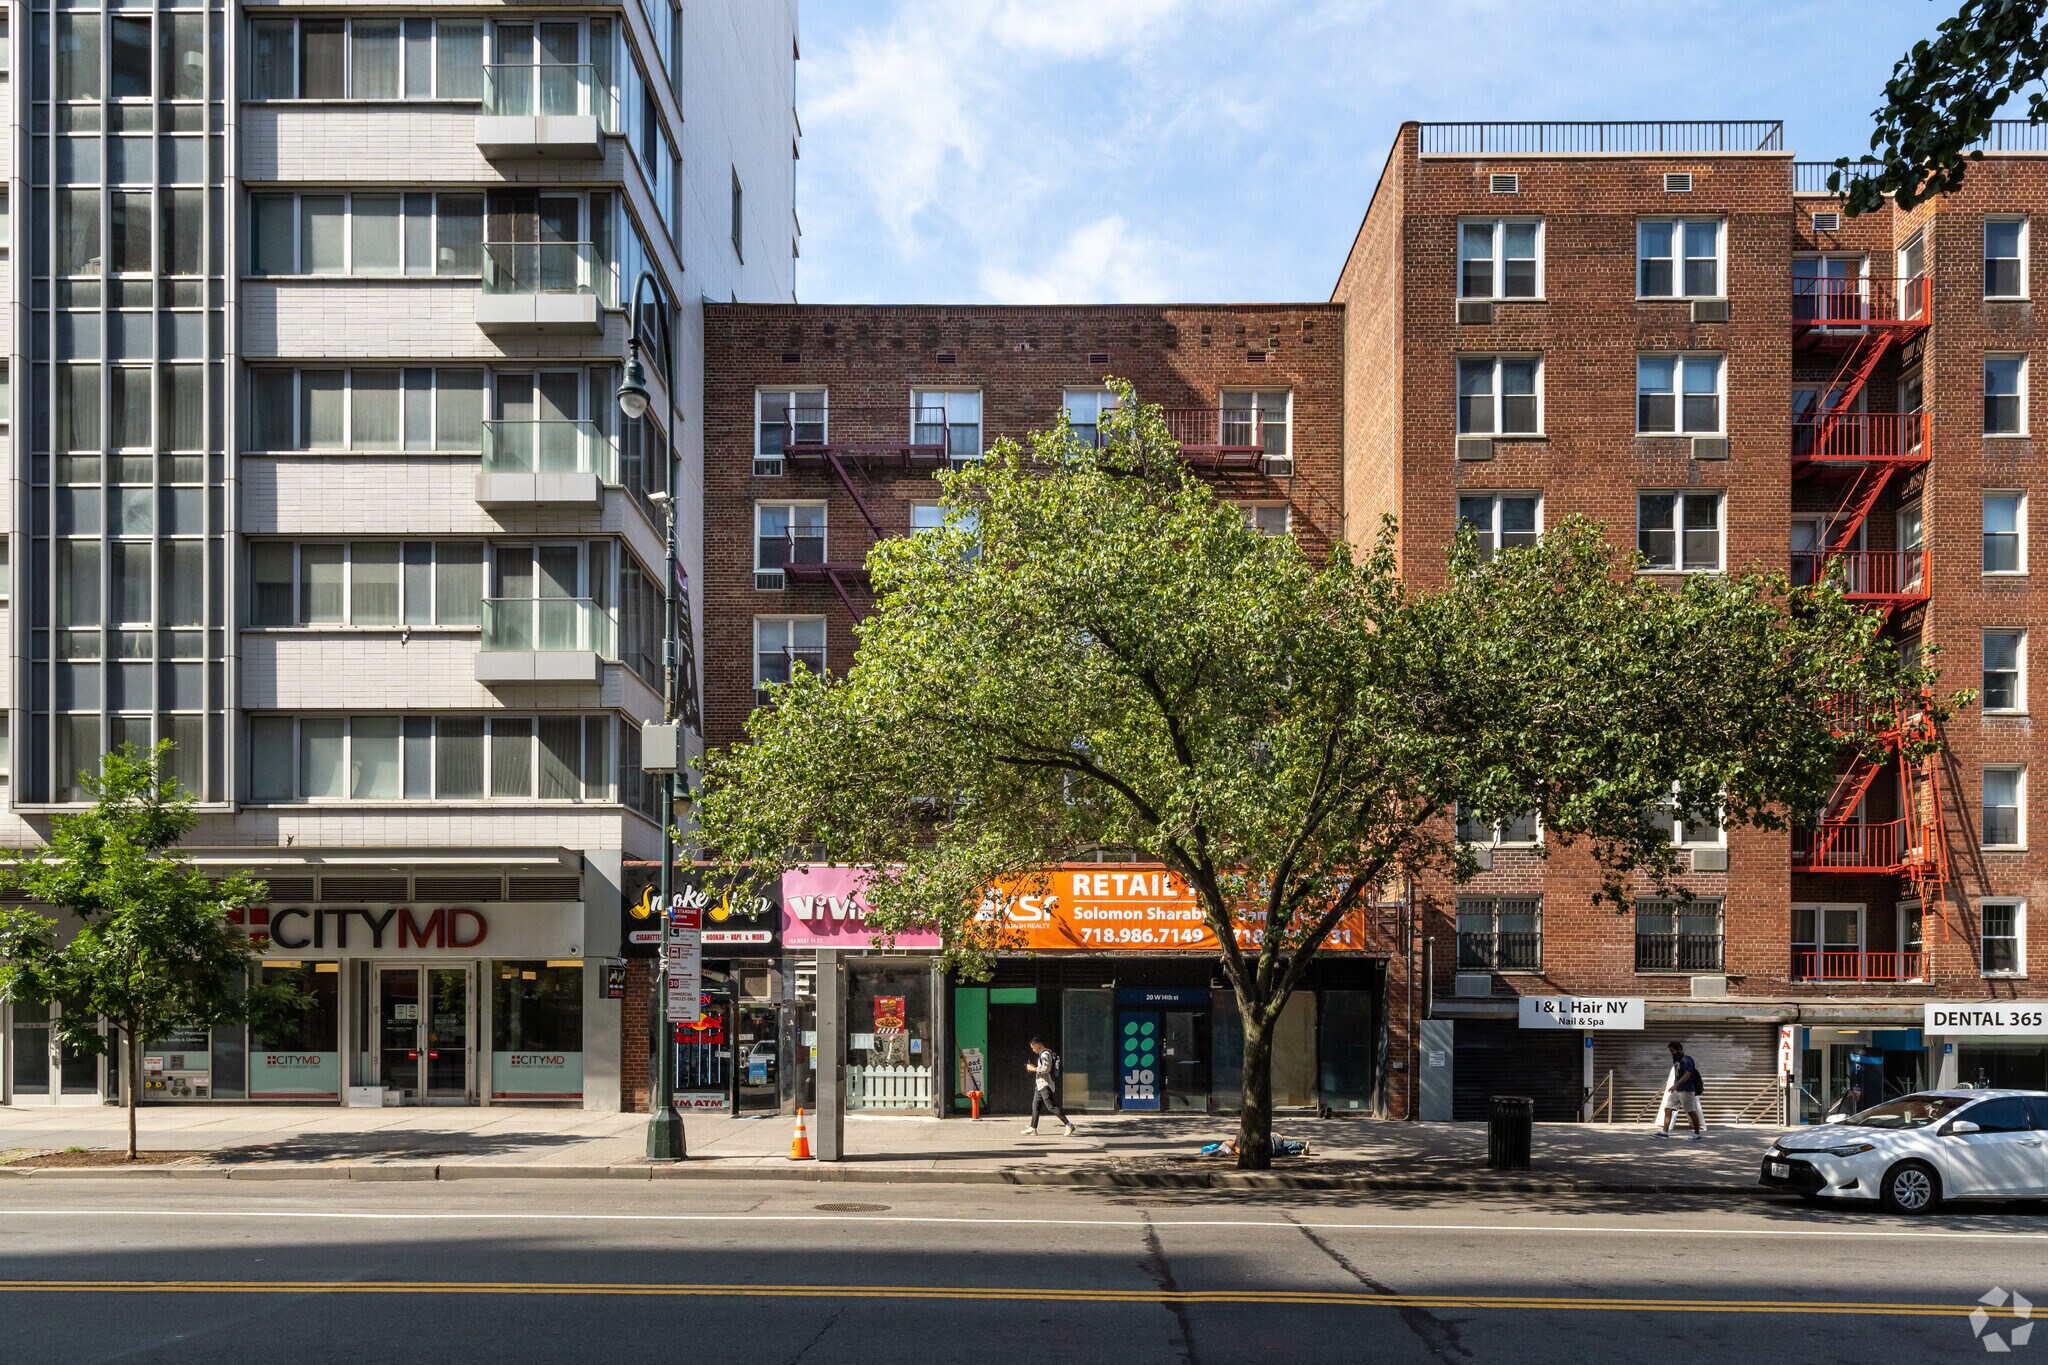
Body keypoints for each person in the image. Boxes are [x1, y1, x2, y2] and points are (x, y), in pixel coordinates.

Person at [1022, 1038, 1076, 1137]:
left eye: (1033, 1047)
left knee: (1051, 1107)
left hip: (1045, 1085)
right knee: (1035, 1106)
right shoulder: (1043, 1054)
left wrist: (1033, 1069)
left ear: (1037, 1045)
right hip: (1039, 1085)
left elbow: (1046, 1069)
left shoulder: (1045, 1054)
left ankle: (1069, 1125)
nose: (1033, 1050)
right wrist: (1034, 1068)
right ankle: (1033, 1128)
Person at [1657, 1040, 1705, 1139]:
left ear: (1679, 1049)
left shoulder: (1687, 1060)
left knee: (1691, 1112)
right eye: (1670, 1051)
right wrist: (1675, 1086)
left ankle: (1697, 1134)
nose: (1671, 1053)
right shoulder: (1676, 1060)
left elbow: (1687, 1075)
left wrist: (1676, 1085)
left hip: (1686, 1090)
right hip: (1677, 1090)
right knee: (1668, 1108)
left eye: (1673, 1051)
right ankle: (1665, 1133)